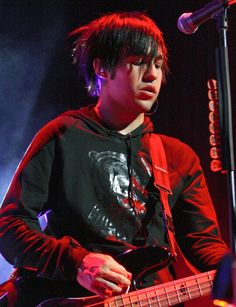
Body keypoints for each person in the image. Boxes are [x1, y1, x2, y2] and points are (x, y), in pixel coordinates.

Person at [0, 11, 230, 306]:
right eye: (138, 62)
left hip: (153, 298)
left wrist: (228, 270)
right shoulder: (63, 135)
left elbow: (203, 243)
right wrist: (79, 263)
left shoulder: (177, 156)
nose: (152, 75)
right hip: (72, 297)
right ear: (102, 68)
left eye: (158, 65)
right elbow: (10, 225)